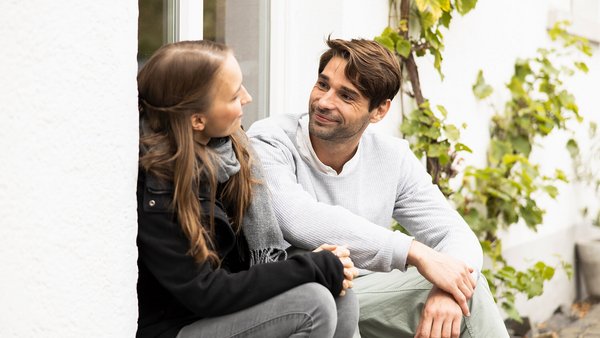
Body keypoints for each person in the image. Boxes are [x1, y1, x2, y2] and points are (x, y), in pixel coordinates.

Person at [247, 38, 509, 338]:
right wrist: (414, 252)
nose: (324, 102)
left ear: (379, 111)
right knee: (466, 294)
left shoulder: (391, 157)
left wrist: (448, 290)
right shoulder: (271, 139)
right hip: (303, 297)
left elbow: (455, 232)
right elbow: (295, 217)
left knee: (466, 293)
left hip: (370, 294)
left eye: (346, 96)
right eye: (323, 85)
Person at [136, 40, 360, 338]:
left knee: (339, 296)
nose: (247, 97)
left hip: (212, 312)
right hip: (176, 327)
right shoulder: (162, 185)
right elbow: (207, 292)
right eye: (232, 95)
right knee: (312, 303)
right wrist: (308, 267)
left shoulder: (228, 156)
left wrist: (317, 266)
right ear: (197, 119)